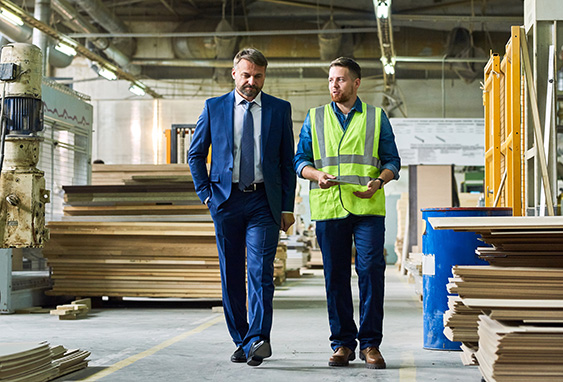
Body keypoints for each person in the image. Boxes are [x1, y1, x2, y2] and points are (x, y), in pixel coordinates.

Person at [188, 48, 296, 367]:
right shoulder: (214, 108)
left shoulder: (279, 109)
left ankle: (259, 339)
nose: (252, 82)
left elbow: (287, 163)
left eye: (258, 76)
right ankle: (241, 339)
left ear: (265, 75)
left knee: (261, 271)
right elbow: (195, 155)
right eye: (246, 75)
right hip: (226, 200)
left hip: (264, 201)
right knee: (231, 272)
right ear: (234, 73)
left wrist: (287, 207)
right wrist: (206, 195)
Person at [293, 57, 400, 369]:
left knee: (370, 271)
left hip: (367, 205)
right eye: (330, 80)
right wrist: (317, 176)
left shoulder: (377, 117)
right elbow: (300, 160)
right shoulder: (314, 118)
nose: (334, 86)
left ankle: (370, 344)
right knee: (335, 277)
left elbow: (392, 161)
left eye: (340, 80)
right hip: (329, 206)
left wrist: (379, 181)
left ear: (356, 83)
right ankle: (342, 343)